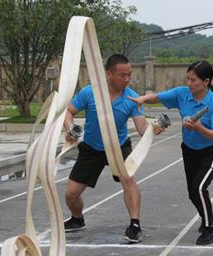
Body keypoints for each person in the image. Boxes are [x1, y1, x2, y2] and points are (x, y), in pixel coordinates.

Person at [63, 54, 163, 243]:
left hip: (119, 147)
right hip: (92, 148)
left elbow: (142, 128)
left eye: (129, 75)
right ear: (109, 73)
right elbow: (69, 111)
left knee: (128, 180)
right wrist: (69, 128)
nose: (127, 79)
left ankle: (135, 225)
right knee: (71, 194)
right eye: (122, 75)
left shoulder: (132, 98)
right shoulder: (89, 93)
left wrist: (152, 130)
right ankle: (77, 219)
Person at [128, 60, 213, 245]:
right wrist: (143, 99)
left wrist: (198, 128)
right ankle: (208, 216)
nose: (189, 83)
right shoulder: (182, 94)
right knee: (192, 192)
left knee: (199, 188)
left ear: (206, 81)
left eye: (193, 80)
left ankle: (208, 230)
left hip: (211, 152)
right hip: (189, 150)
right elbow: (158, 97)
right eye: (187, 79)